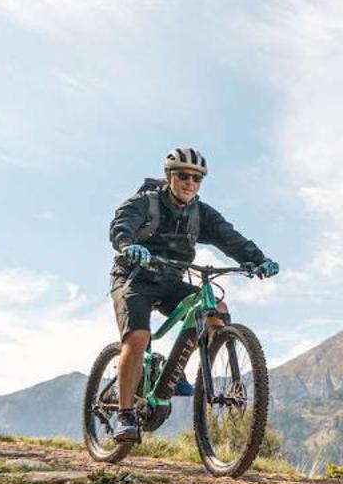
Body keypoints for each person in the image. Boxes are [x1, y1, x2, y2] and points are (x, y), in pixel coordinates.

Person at [107, 148, 278, 444]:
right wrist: (127, 244)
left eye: (197, 178)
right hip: (134, 277)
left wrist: (259, 259)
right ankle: (124, 415)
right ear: (169, 176)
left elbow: (231, 238)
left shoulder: (201, 213)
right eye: (183, 176)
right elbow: (121, 226)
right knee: (138, 337)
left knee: (217, 308)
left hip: (171, 280)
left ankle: (181, 372)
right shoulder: (144, 203)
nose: (190, 182)